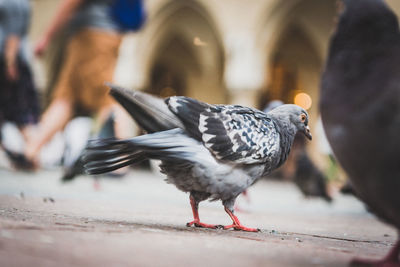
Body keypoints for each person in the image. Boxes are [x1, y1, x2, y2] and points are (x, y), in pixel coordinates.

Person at [24, 0, 145, 167]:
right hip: (102, 33)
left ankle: (121, 161)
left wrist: (47, 36)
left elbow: (71, 2)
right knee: (68, 97)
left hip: (93, 35)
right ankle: (31, 150)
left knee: (108, 99)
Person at [0, 0, 39, 144]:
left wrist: (10, 62)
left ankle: (33, 151)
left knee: (20, 113)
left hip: (8, 62)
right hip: (10, 60)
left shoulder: (14, 2)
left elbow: (13, 33)